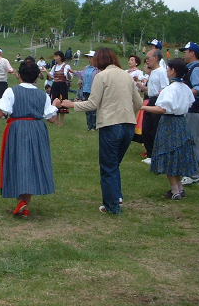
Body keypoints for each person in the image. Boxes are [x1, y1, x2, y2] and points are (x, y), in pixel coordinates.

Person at [59, 48, 143, 214]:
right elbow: (139, 103)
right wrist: (127, 113)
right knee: (114, 164)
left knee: (108, 166)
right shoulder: (126, 75)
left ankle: (112, 206)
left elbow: (92, 104)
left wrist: (71, 104)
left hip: (111, 125)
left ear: (100, 61)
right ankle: (116, 197)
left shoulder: (102, 76)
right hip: (128, 125)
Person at [0, 59, 57, 217]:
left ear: (19, 75)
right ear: (37, 77)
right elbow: (51, 118)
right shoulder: (42, 94)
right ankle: (24, 202)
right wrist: (55, 105)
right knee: (32, 163)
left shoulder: (12, 91)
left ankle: (23, 201)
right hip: (38, 129)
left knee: (20, 161)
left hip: (18, 129)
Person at [140, 58, 199, 200]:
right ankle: (179, 188)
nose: (167, 71)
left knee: (169, 156)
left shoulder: (170, 89)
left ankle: (175, 190)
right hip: (181, 123)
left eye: (168, 69)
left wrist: (142, 106)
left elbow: (162, 109)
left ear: (173, 71)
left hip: (169, 124)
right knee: (177, 156)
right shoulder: (185, 88)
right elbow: (189, 102)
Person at [179, 42, 199, 187]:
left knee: (193, 141)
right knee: (188, 141)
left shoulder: (196, 69)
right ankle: (189, 171)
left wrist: (184, 94)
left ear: (193, 53)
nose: (184, 54)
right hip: (189, 109)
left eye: (186, 51)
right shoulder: (189, 68)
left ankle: (194, 175)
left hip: (195, 109)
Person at [137, 49, 170, 164]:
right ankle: (150, 154)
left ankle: (155, 156)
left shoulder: (161, 71)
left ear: (156, 58)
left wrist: (160, 102)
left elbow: (165, 88)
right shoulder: (153, 72)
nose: (146, 60)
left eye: (148, 58)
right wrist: (140, 86)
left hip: (157, 101)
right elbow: (151, 90)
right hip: (151, 99)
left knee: (154, 128)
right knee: (146, 128)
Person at [72, 51, 98, 131]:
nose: (89, 59)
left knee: (93, 110)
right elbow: (81, 74)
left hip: (94, 91)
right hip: (85, 90)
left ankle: (94, 127)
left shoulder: (98, 69)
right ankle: (89, 126)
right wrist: (74, 72)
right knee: (87, 109)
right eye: (89, 57)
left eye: (91, 57)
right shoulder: (86, 67)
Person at [48, 51, 72, 126]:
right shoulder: (54, 66)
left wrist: (68, 73)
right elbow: (51, 76)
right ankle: (56, 120)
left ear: (60, 57)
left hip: (62, 86)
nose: (55, 58)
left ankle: (61, 121)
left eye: (56, 56)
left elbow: (70, 78)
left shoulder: (66, 66)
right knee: (55, 101)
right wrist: (46, 71)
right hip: (55, 85)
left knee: (63, 102)